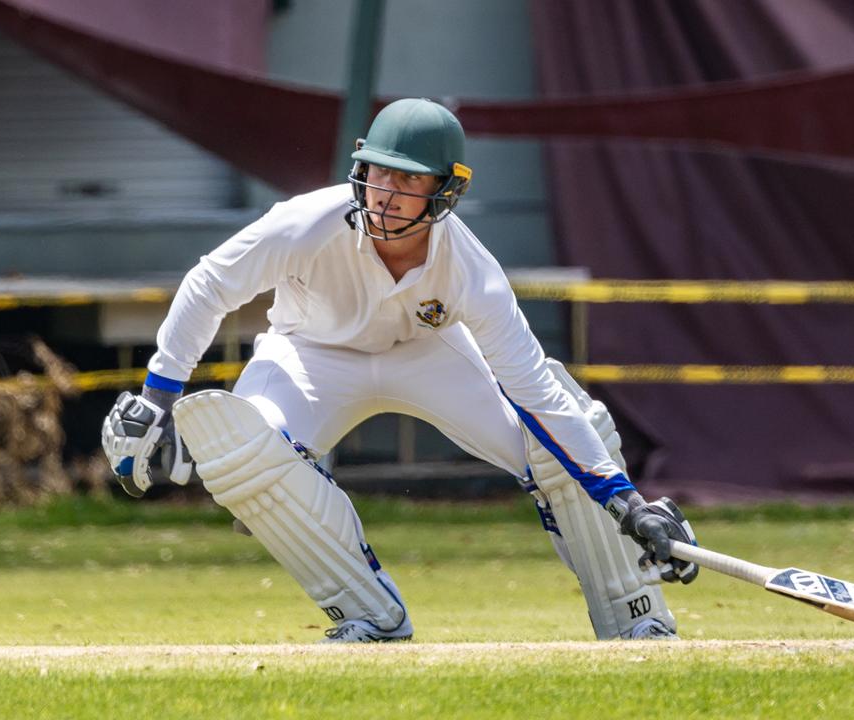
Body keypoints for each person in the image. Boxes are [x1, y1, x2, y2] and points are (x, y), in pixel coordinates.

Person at [101, 98, 699, 643]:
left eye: (407, 178)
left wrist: (626, 501)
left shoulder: (472, 271)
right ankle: (369, 617)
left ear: (445, 192)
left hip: (428, 351)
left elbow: (535, 392)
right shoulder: (307, 221)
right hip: (309, 352)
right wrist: (159, 393)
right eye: (378, 172)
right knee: (244, 456)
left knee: (560, 435)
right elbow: (211, 282)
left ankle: (635, 610)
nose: (385, 193)